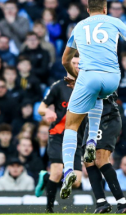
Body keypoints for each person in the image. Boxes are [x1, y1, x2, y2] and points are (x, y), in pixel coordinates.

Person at [60, 0, 126, 202]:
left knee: (71, 126)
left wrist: (75, 76)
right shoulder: (115, 21)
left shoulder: (80, 26)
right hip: (112, 79)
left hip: (89, 76)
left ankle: (68, 172)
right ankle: (91, 141)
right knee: (97, 97)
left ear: (88, 10)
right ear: (106, 9)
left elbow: (65, 60)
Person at [35, 55, 84, 213]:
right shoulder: (58, 86)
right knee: (57, 172)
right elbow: (40, 108)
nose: (76, 66)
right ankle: (49, 209)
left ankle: (45, 177)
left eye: (79, 64)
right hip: (58, 134)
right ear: (68, 66)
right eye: (74, 63)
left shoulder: (86, 86)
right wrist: (47, 112)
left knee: (76, 181)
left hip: (77, 137)